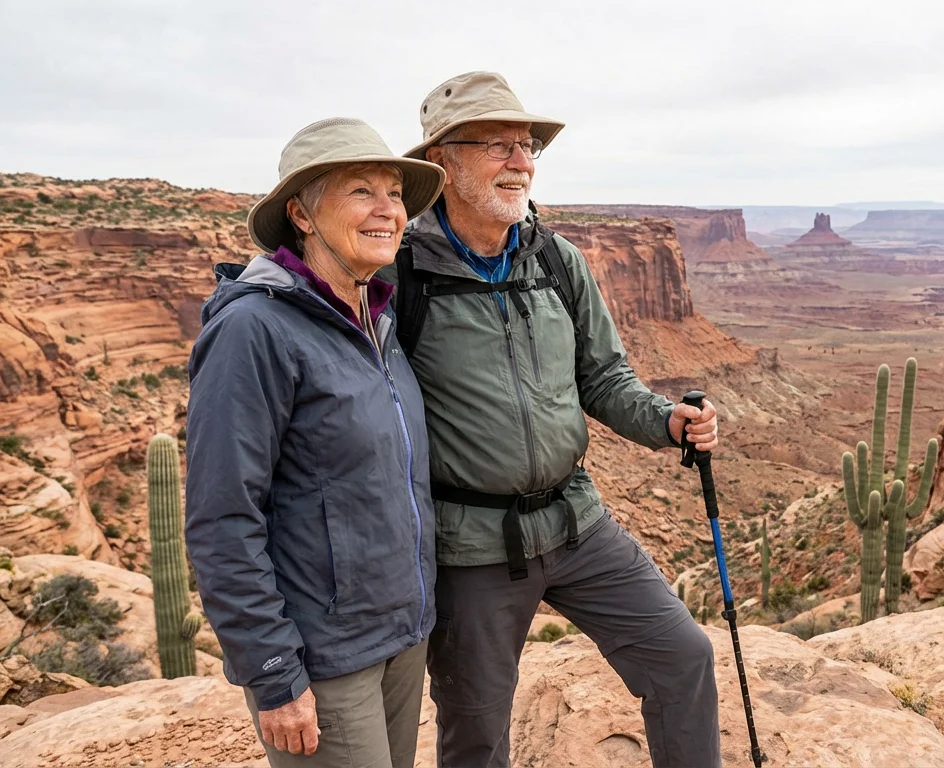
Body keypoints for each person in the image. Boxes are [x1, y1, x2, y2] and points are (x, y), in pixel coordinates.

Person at [383, 71, 722, 767]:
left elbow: (603, 377)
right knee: (476, 732)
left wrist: (667, 423)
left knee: (682, 657)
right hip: (471, 548)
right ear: (441, 161)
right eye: (498, 145)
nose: (521, 162)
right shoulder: (400, 275)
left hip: (576, 522)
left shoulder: (555, 259)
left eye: (529, 145)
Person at [184, 117, 446, 767]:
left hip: (400, 640)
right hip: (324, 658)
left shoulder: (376, 319)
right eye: (362, 191)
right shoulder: (255, 328)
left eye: (394, 192)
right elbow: (222, 516)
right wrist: (273, 671)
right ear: (301, 214)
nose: (389, 209)